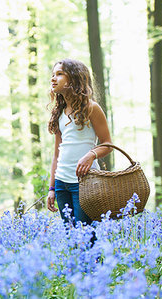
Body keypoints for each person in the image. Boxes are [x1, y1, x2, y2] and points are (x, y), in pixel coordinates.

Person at [46, 58, 112, 226]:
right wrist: (52, 188)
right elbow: (56, 155)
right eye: (53, 74)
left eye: (60, 74)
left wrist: (91, 155)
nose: (53, 78)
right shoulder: (59, 112)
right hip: (61, 183)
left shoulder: (91, 108)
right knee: (72, 238)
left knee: (86, 235)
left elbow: (107, 144)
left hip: (85, 182)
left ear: (74, 78)